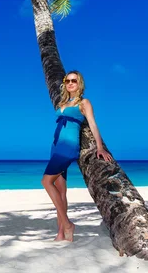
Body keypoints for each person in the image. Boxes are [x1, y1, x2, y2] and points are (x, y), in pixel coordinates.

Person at [41, 70, 113, 242]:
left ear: (79, 83)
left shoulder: (84, 102)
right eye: (67, 80)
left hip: (68, 146)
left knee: (46, 181)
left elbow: (93, 125)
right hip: (56, 145)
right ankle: (62, 233)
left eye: (74, 80)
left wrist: (100, 147)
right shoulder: (63, 102)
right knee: (61, 189)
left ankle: (67, 224)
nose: (70, 83)